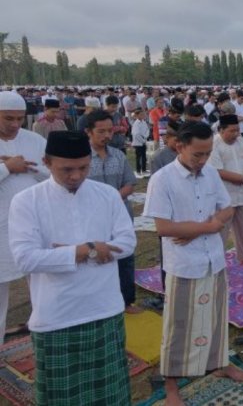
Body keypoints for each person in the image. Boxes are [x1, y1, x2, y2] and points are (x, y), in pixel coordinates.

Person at [9, 130, 137, 405]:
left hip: (105, 307)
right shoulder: (27, 201)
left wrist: (66, 252)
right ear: (46, 162)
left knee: (110, 396)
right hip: (57, 315)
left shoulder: (107, 195)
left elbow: (127, 243)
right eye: (66, 169)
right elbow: (26, 259)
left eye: (83, 167)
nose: (76, 176)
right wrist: (87, 249)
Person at [143, 121, 243, 406]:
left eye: (207, 154)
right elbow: (164, 227)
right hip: (183, 264)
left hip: (214, 259)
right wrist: (205, 228)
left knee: (216, 317)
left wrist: (205, 227)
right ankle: (172, 385)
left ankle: (220, 363)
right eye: (196, 155)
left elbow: (226, 208)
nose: (202, 161)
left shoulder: (211, 173)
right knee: (178, 326)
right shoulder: (162, 179)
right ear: (180, 146)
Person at [0, 91, 49, 344]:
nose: (15, 124)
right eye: (8, 118)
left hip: (33, 226)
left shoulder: (33, 139)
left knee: (44, 290)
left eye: (20, 118)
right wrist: (7, 168)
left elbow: (52, 174)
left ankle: (45, 340)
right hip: (1, 231)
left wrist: (27, 165)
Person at [84, 110, 141, 314]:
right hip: (93, 217)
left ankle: (126, 301)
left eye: (109, 130)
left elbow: (130, 182)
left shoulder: (117, 154)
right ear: (88, 132)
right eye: (101, 131)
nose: (107, 135)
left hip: (120, 215)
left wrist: (113, 199)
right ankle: (97, 302)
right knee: (96, 258)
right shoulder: (82, 158)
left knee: (125, 256)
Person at [208, 114, 243, 264]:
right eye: (232, 131)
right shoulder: (214, 144)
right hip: (225, 195)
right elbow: (217, 171)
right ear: (221, 130)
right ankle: (218, 259)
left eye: (238, 130)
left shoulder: (241, 141)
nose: (236, 134)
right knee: (222, 230)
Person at [131, 108, 150, 178]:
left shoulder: (144, 122)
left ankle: (144, 170)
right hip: (138, 143)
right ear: (137, 115)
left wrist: (146, 136)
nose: (143, 115)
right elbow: (136, 134)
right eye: (141, 114)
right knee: (139, 157)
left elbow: (147, 130)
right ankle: (138, 171)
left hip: (144, 141)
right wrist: (143, 140)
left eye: (143, 114)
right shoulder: (136, 124)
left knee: (144, 157)